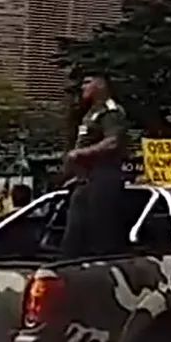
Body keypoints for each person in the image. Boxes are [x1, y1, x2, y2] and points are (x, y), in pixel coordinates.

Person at [61, 74, 129, 257]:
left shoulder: (111, 111)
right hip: (85, 179)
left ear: (100, 85)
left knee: (100, 233)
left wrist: (81, 153)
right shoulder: (91, 113)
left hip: (103, 178)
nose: (83, 87)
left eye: (87, 82)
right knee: (74, 234)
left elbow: (112, 142)